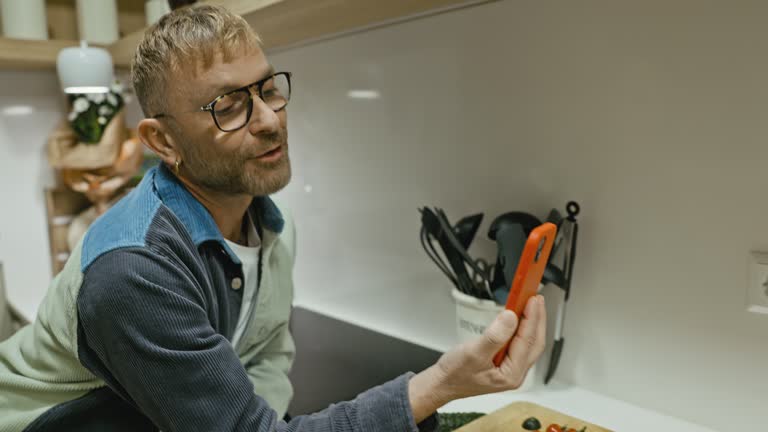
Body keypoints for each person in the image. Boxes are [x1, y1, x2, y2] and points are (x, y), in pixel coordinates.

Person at [0, 5, 546, 432]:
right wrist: (442, 384)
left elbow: (265, 356)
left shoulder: (269, 227)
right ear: (163, 141)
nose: (267, 120)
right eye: (228, 105)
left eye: (266, 90)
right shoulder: (134, 272)